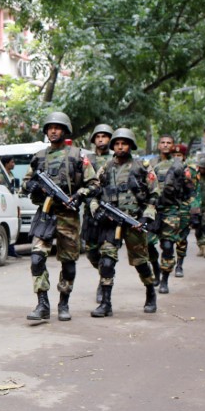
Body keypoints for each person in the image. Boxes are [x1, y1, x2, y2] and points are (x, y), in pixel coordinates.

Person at [22, 111, 99, 322]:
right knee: (37, 258)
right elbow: (25, 183)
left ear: (64, 131)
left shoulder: (77, 155)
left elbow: (93, 184)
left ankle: (64, 303)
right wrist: (34, 186)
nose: (53, 131)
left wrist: (78, 196)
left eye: (57, 127)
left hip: (68, 216)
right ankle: (42, 304)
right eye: (50, 127)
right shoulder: (39, 157)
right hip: (45, 214)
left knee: (69, 263)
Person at [90, 128, 160, 317]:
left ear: (130, 145)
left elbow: (154, 195)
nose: (120, 147)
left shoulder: (142, 165)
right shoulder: (106, 168)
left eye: (124, 143)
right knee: (106, 261)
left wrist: (146, 217)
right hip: (111, 223)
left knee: (141, 262)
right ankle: (106, 303)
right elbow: (94, 192)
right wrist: (96, 209)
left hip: (134, 221)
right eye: (117, 144)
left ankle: (150, 292)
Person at [150, 134, 188, 293]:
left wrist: (184, 211)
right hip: (151, 210)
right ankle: (156, 269)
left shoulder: (179, 166)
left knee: (167, 245)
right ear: (158, 145)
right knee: (147, 244)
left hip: (171, 210)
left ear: (173, 146)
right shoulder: (149, 164)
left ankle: (165, 279)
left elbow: (188, 190)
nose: (166, 145)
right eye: (163, 142)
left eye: (169, 143)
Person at [83, 124, 114, 302]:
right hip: (90, 213)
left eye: (105, 136)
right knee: (91, 252)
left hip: (109, 213)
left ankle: (104, 284)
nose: (101, 139)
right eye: (98, 136)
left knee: (108, 254)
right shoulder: (87, 159)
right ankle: (103, 273)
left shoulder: (114, 160)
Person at [172, 143, 195, 277]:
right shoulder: (166, 168)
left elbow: (195, 192)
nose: (176, 158)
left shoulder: (190, 171)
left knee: (181, 238)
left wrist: (195, 212)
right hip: (167, 208)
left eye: (179, 155)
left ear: (184, 157)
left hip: (183, 208)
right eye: (174, 155)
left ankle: (179, 264)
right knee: (166, 240)